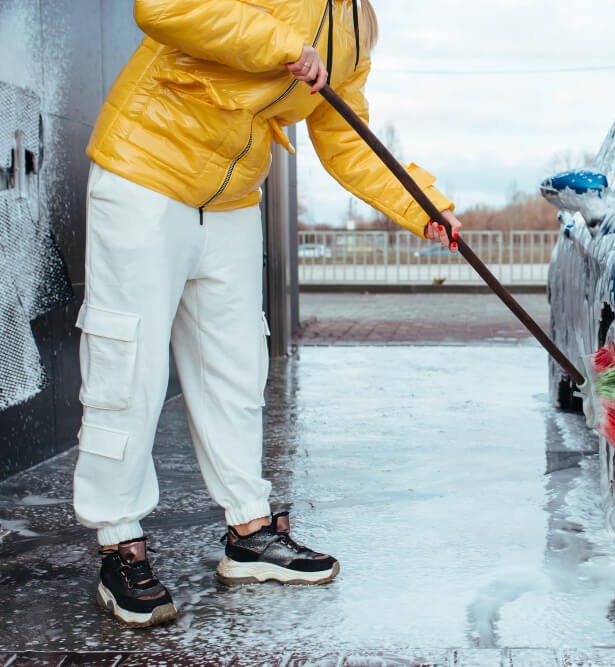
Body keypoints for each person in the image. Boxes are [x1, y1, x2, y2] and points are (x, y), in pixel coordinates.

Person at [74, 0, 461, 628]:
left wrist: (423, 206)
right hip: (148, 167)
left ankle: (249, 532)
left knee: (235, 366)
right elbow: (162, 7)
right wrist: (278, 42)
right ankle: (120, 542)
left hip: (231, 197)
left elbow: (344, 134)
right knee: (130, 364)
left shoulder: (355, 28)